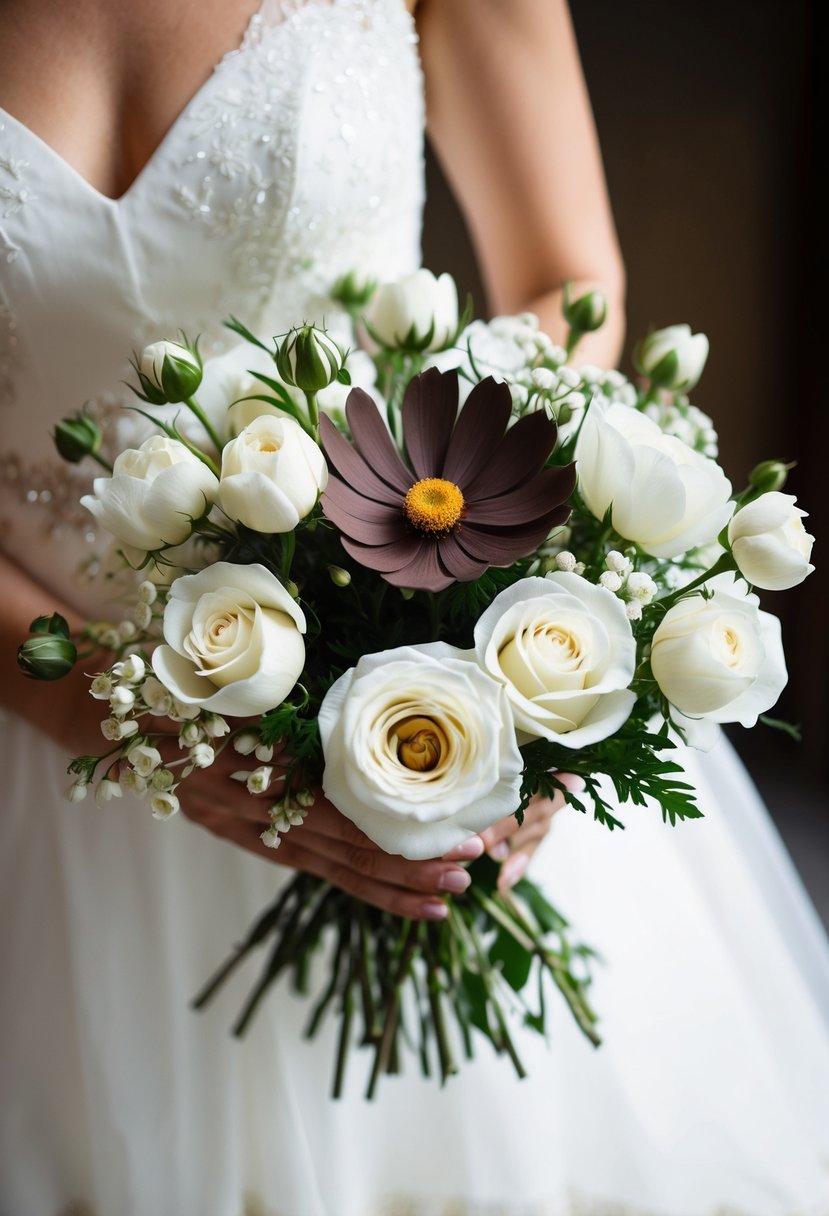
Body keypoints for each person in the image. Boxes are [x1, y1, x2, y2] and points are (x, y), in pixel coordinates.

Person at [0, 1, 827, 1212]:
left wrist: (493, 629)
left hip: (418, 654)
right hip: (39, 747)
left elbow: (561, 276)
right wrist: (118, 720)